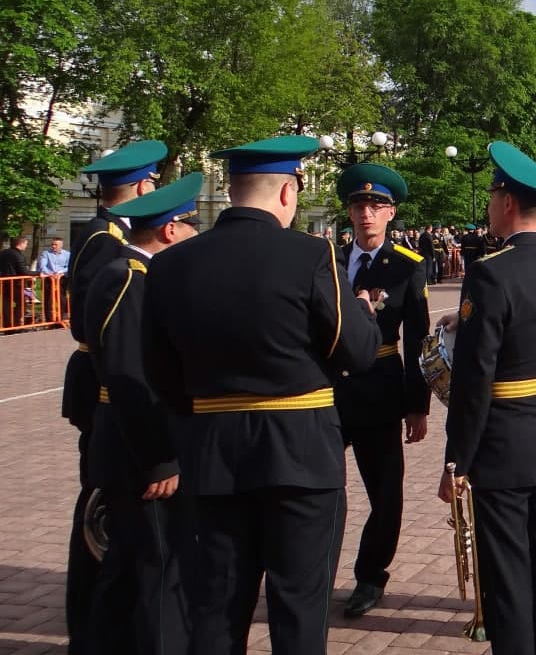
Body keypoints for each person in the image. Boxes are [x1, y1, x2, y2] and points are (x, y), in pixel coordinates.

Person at [141, 136, 381, 655]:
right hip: (301, 456)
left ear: (230, 191)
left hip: (213, 458)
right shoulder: (311, 255)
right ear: (288, 193)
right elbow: (358, 354)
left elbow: (158, 372)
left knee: (218, 609)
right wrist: (362, 313)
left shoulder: (170, 266)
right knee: (299, 610)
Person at [439, 142, 536, 655]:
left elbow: (473, 376)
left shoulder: (490, 274)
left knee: (507, 573)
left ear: (507, 202)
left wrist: (457, 457)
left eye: (492, 196)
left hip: (502, 446)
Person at [82, 172, 205, 655]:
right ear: (172, 230)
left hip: (129, 440)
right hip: (139, 446)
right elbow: (130, 378)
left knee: (126, 563)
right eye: (192, 226)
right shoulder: (131, 280)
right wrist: (160, 458)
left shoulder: (134, 275)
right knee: (160, 565)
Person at [65, 139, 168, 654]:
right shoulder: (108, 241)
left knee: (112, 510)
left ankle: (101, 624)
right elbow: (97, 326)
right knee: (105, 510)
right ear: (144, 186)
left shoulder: (105, 233)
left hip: (103, 380)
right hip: (106, 385)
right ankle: (93, 626)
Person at [334, 163, 432, 617]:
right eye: (358, 205)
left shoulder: (408, 267)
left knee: (385, 494)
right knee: (318, 491)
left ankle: (370, 576)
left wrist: (418, 406)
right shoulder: (327, 262)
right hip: (329, 392)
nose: (366, 214)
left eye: (376, 206)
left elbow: (416, 340)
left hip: (379, 389)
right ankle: (311, 574)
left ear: (391, 213)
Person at [37, 236, 71, 320]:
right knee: (48, 299)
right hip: (49, 278)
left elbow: (69, 267)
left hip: (61, 278)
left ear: (61, 245)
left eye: (56, 244)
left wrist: (60, 272)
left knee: (62, 298)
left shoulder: (67, 254)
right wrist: (51, 274)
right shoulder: (46, 253)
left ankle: (61, 317)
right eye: (52, 244)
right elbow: (42, 266)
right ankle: (49, 319)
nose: (53, 246)